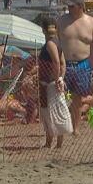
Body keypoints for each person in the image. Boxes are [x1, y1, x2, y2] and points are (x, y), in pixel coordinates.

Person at [57, 0, 93, 133]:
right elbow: (55, 43)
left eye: (72, 6)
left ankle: (75, 127)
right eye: (68, 6)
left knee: (77, 99)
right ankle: (62, 126)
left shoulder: (92, 22)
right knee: (60, 96)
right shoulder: (61, 21)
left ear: (80, 6)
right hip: (64, 64)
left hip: (83, 64)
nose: (69, 8)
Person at [39, 17, 72, 148]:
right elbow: (63, 63)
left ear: (43, 30)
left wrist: (55, 79)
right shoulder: (58, 42)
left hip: (48, 84)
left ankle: (49, 143)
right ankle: (58, 144)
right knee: (58, 112)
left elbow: (57, 62)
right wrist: (60, 78)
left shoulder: (50, 44)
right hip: (55, 82)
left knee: (48, 112)